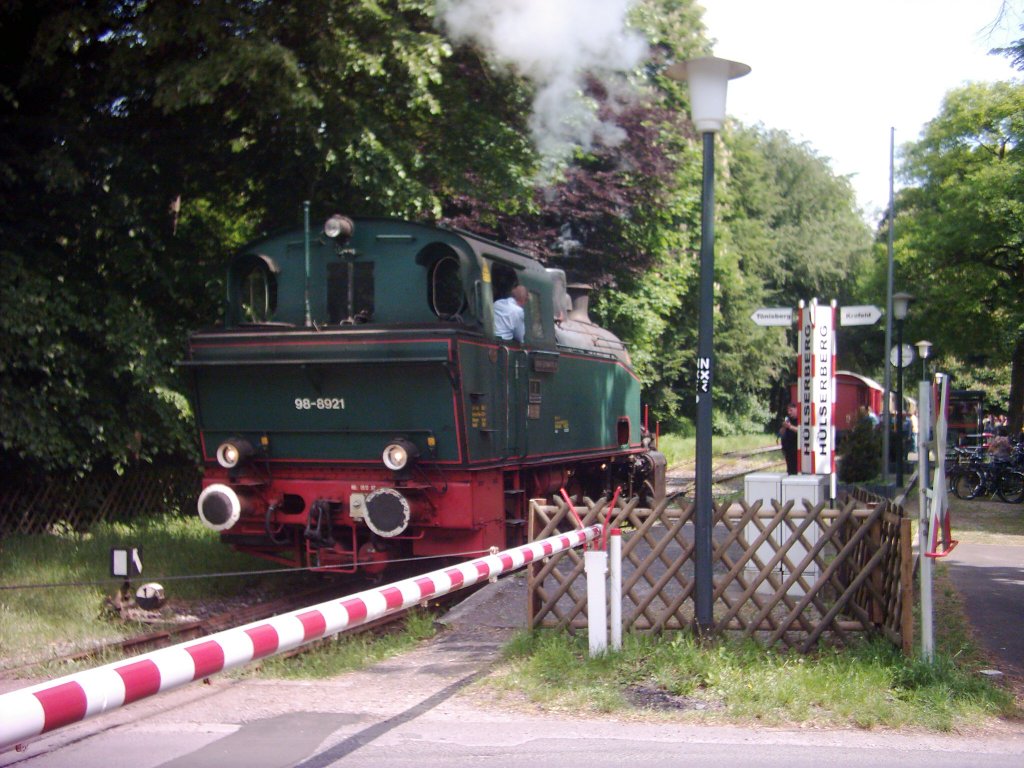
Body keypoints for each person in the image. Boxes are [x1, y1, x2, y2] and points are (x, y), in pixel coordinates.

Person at [779, 402, 799, 474]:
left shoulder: (800, 420)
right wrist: (784, 426)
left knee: (796, 469)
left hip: (797, 449)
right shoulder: (787, 420)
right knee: (790, 470)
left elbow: (800, 431)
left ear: (796, 409)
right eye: (788, 411)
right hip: (788, 449)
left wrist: (790, 427)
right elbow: (781, 433)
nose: (789, 412)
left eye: (791, 410)